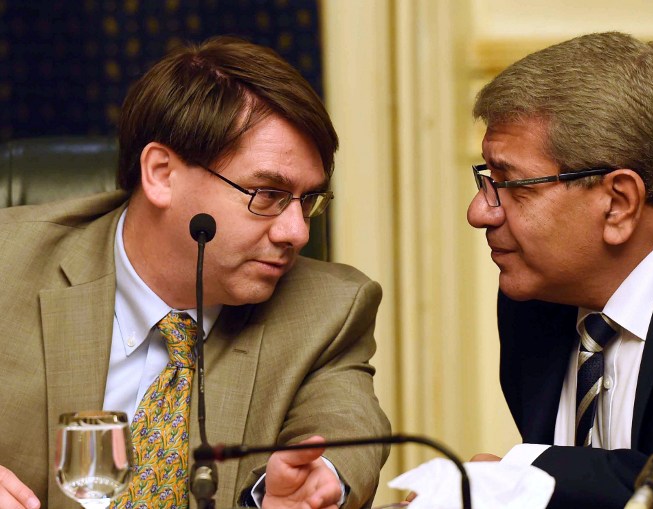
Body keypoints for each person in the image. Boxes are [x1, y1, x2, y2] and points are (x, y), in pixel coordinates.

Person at [0, 36, 390, 509]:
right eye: (267, 194)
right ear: (161, 173)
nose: (297, 232)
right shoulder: (10, 262)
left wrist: (313, 483)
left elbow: (348, 428)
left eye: (308, 200)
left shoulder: (327, 309)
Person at [467, 32, 653, 508]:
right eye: (487, 179)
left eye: (511, 184)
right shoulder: (538, 291)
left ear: (618, 203)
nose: (479, 212)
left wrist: (529, 478)